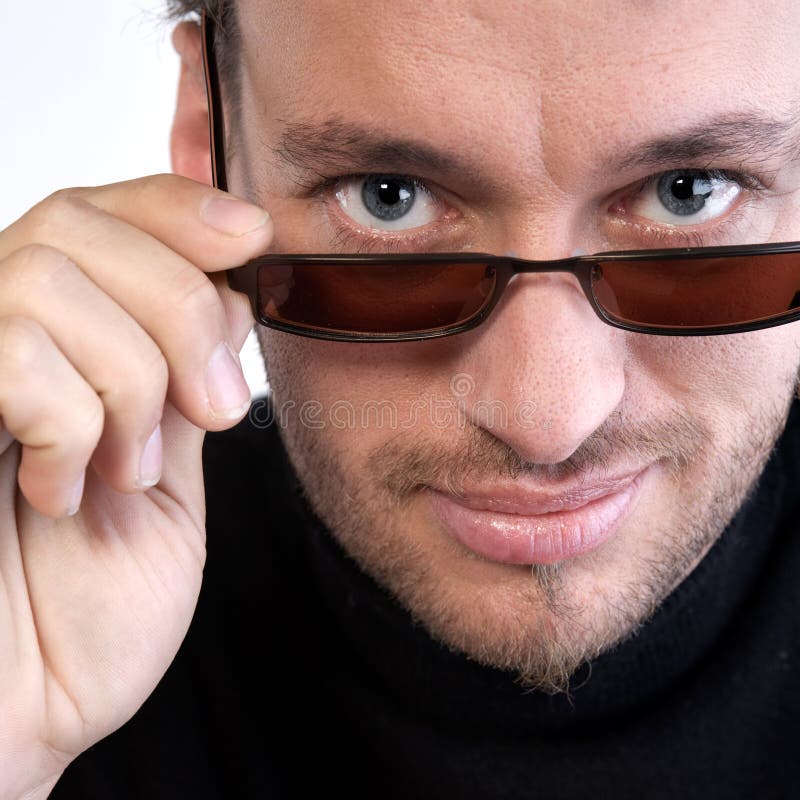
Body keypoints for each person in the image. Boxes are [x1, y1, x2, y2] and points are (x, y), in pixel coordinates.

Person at [2, 0, 799, 797]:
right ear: (211, 139)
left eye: (687, 193)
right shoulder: (46, 588)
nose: (545, 422)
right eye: (391, 197)